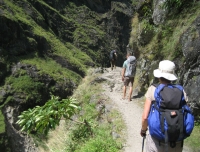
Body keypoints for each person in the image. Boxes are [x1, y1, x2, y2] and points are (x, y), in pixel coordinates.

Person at [140, 60, 188, 152]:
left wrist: (143, 130)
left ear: (159, 75)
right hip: (176, 142)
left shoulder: (153, 89)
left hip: (156, 141)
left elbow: (145, 117)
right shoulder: (181, 91)